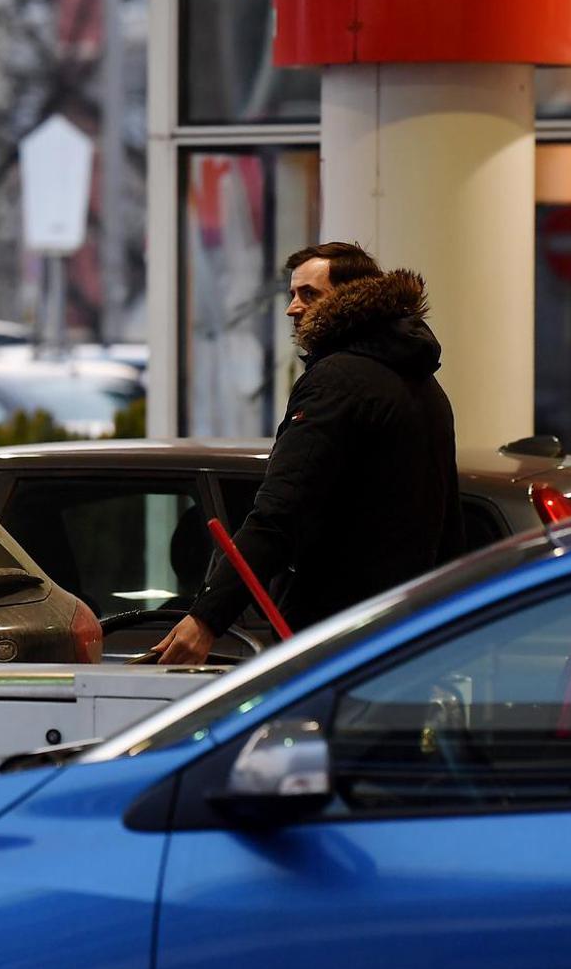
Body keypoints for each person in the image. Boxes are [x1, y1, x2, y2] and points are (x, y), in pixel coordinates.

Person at [154, 241, 464, 665]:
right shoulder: (426, 387)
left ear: (351, 298)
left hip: (337, 639)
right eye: (292, 294)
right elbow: (448, 525)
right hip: (404, 634)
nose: (292, 308)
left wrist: (206, 619)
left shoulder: (336, 382)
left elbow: (280, 514)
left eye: (309, 294)